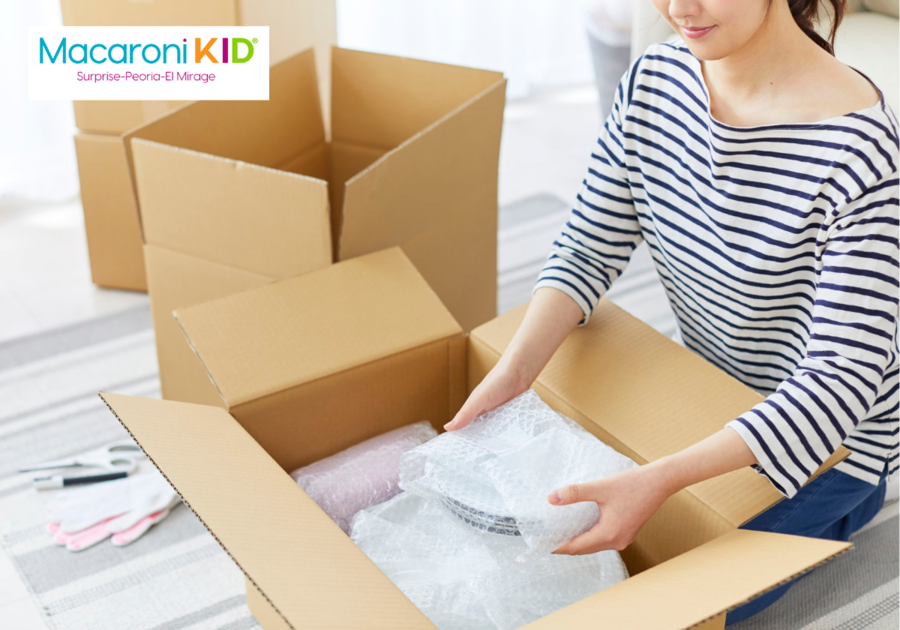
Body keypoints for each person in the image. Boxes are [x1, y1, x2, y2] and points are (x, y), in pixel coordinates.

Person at [445, 0, 898, 623]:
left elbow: (839, 384)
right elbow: (586, 245)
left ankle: (850, 507)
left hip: (831, 447)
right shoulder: (656, 81)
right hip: (705, 392)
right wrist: (514, 374)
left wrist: (658, 479)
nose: (679, 8)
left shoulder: (860, 153)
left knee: (642, 604)